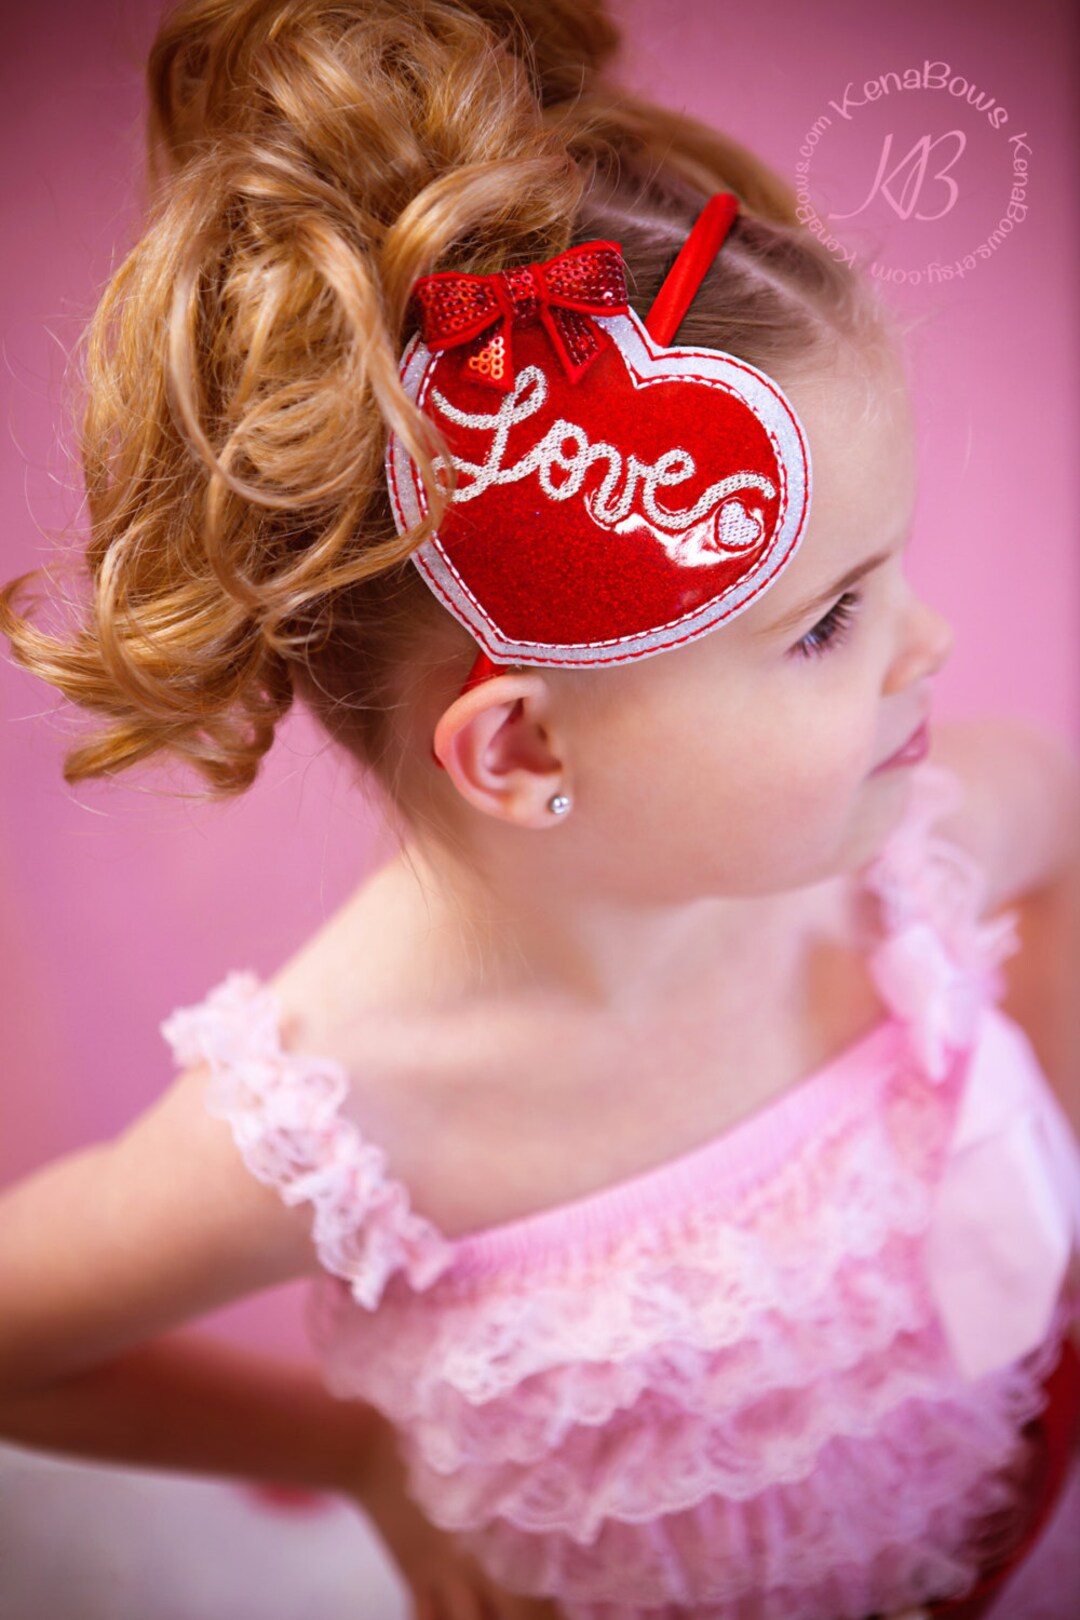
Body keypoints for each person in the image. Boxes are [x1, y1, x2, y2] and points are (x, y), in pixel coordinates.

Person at [1, 2, 1078, 1616]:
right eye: (833, 620)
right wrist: (356, 1456)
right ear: (515, 754)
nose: (929, 644)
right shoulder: (343, 1122)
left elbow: (1059, 827)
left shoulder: (911, 848)